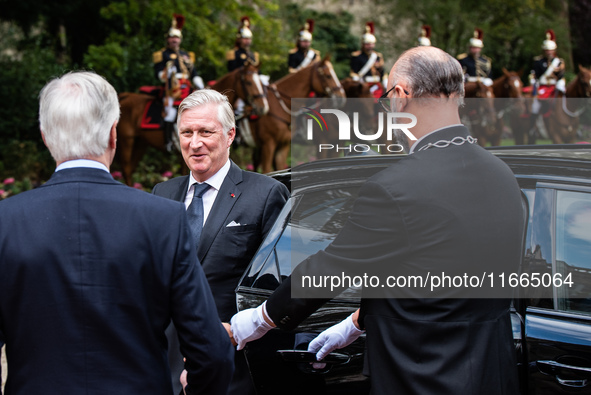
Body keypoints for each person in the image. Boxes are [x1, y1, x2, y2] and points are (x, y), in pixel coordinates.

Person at [230, 46, 524, 394]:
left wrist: (259, 319)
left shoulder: (396, 186)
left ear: (401, 96)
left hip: (423, 376)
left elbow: (333, 267)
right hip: (493, 374)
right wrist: (355, 323)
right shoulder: (505, 175)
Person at [0, 71, 233, 394]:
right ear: (113, 134)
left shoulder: (6, 220)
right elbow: (211, 352)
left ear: (45, 136)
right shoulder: (163, 218)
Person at [152, 89, 289, 395]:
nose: (195, 142)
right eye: (186, 132)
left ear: (229, 135)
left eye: (205, 131)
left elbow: (278, 285)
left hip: (233, 364)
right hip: (166, 367)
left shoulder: (265, 194)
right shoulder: (161, 194)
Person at [153, 14, 205, 152]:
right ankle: (169, 142)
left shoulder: (187, 55)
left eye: (176, 37)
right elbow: (158, 74)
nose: (174, 40)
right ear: (167, 40)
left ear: (180, 39)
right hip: (170, 88)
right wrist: (168, 74)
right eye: (171, 37)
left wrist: (200, 84)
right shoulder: (162, 54)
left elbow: (193, 73)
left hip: (187, 88)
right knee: (170, 113)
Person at [350, 21, 387, 97]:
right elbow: (354, 72)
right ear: (363, 44)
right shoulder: (357, 56)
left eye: (372, 44)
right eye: (367, 44)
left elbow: (382, 72)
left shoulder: (377, 56)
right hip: (365, 85)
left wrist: (385, 82)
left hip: (377, 85)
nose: (370, 46)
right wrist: (357, 81)